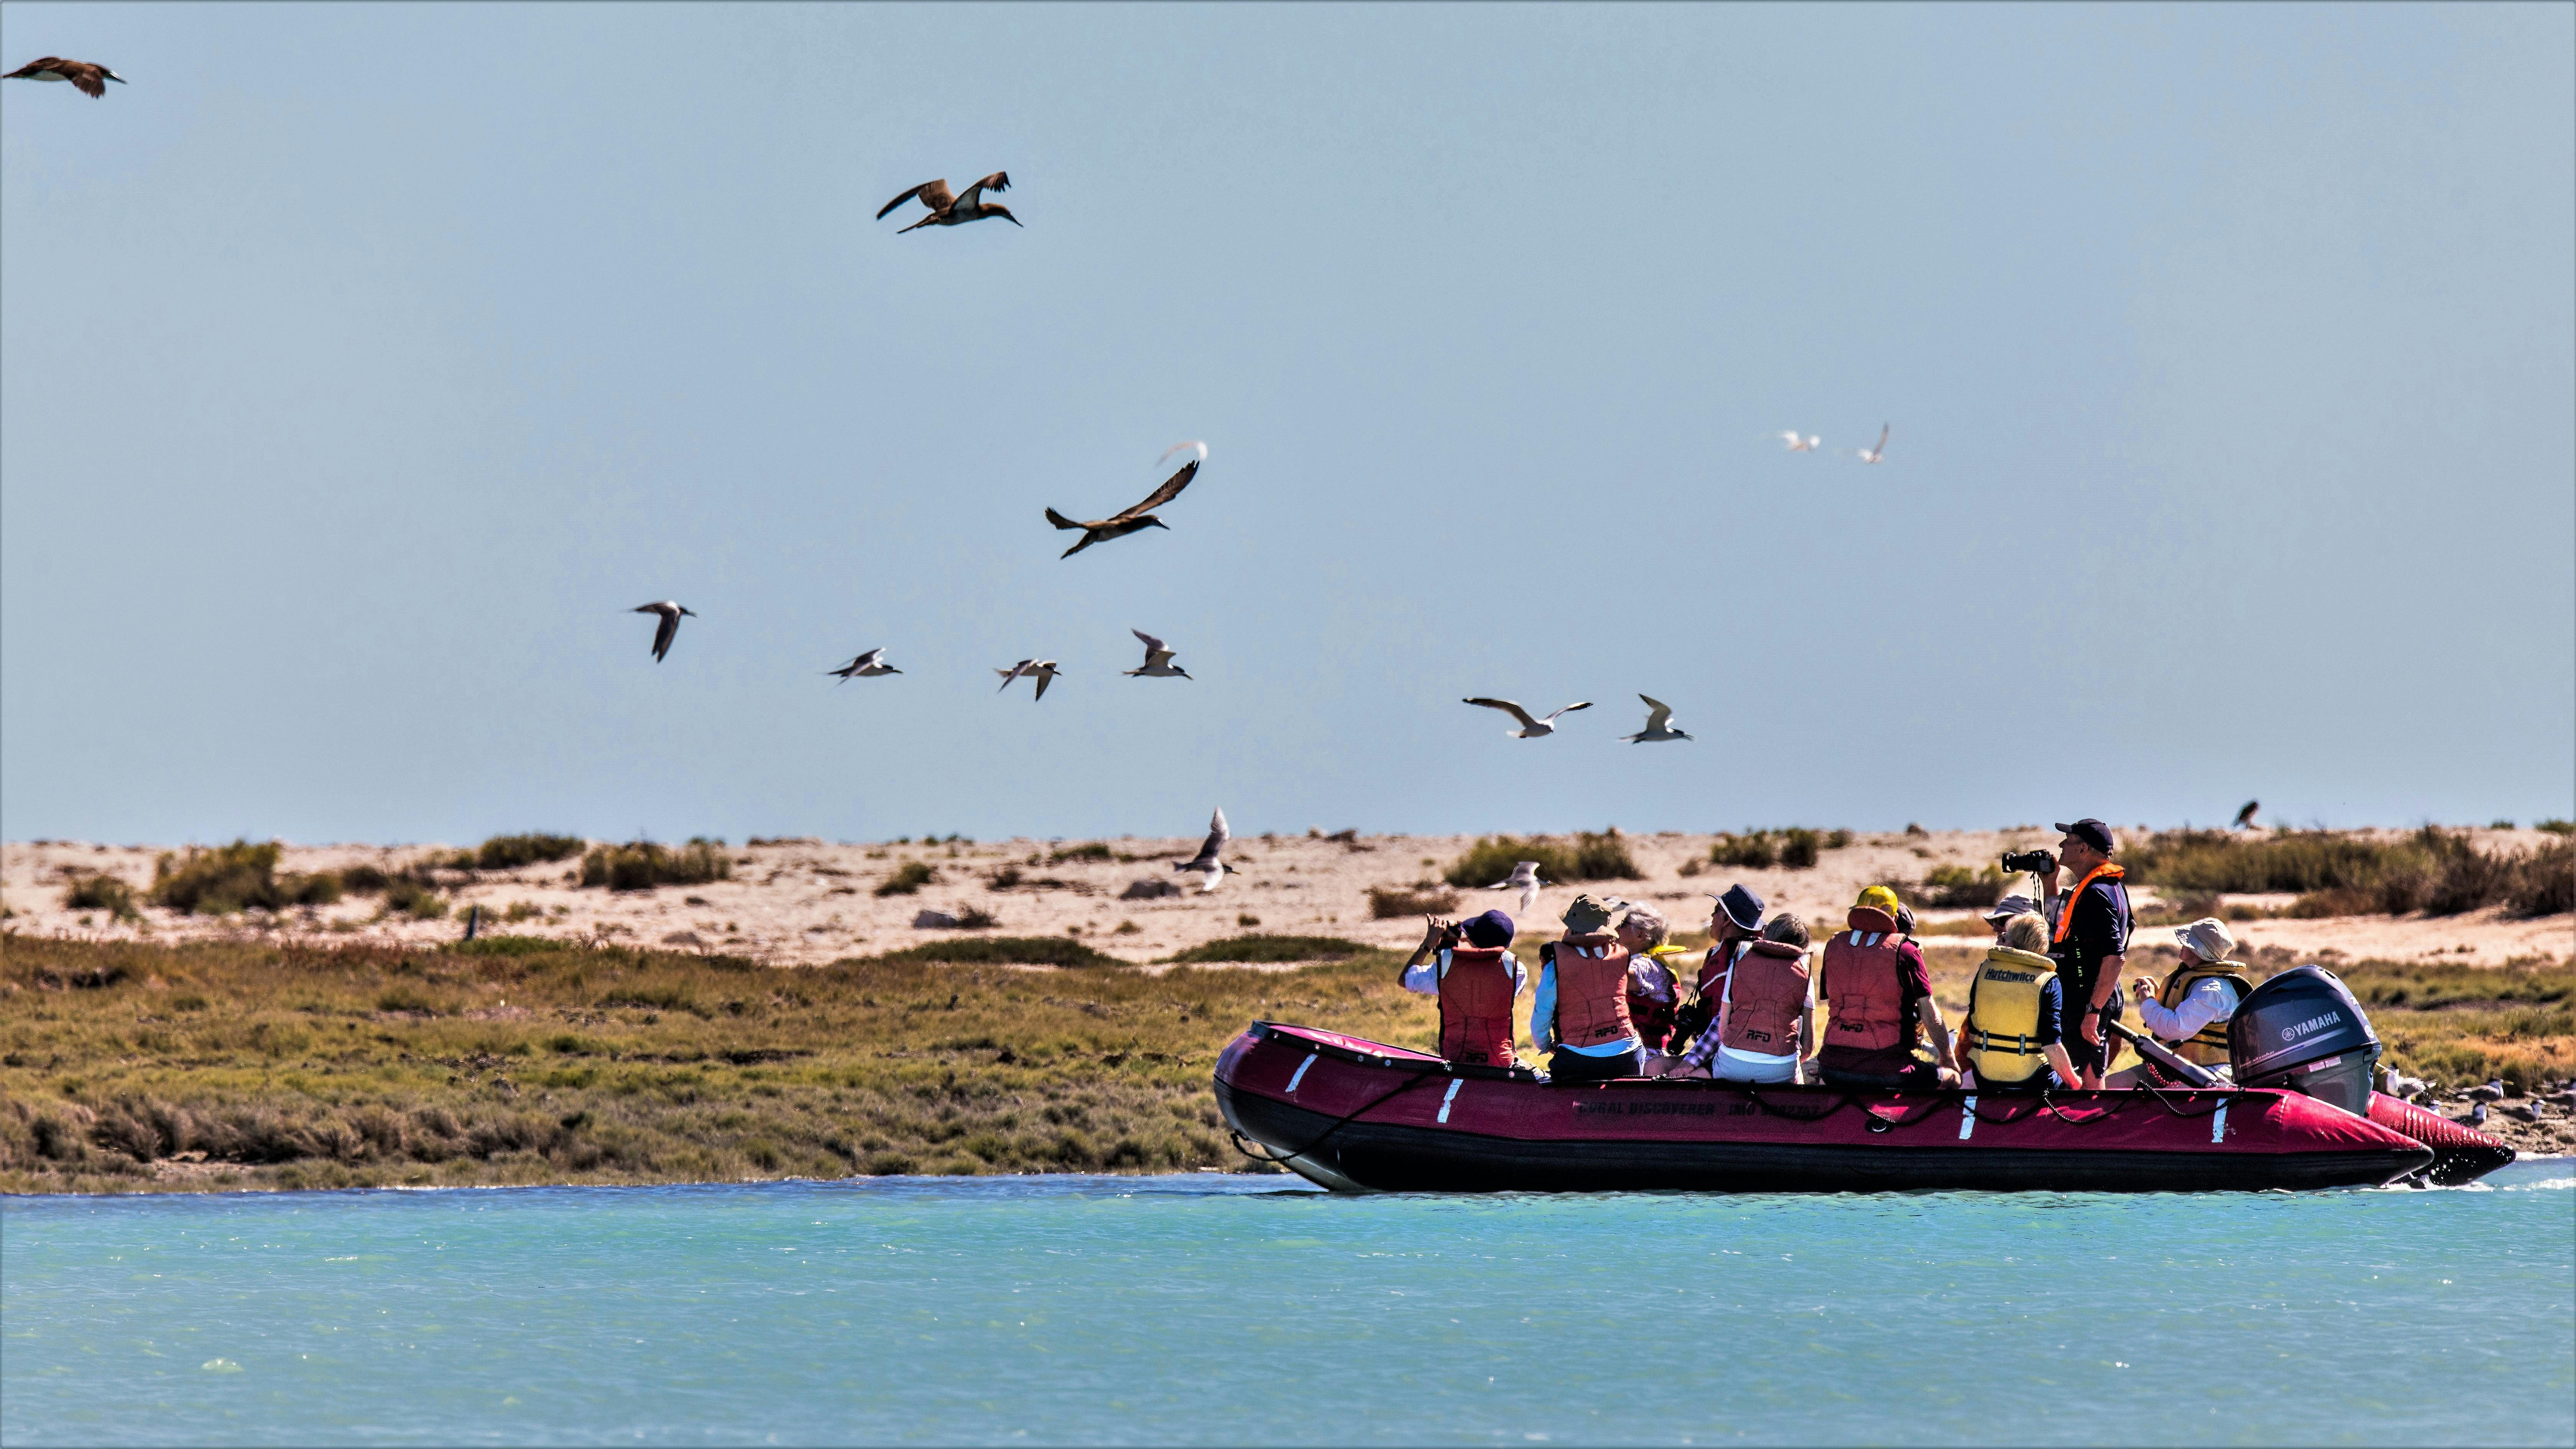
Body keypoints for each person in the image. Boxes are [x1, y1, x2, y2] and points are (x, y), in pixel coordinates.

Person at [1817, 887, 1956, 1089]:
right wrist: (1947, 1057)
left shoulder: (1834, 944)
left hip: (1831, 1067)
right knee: (1953, 1078)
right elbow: (1931, 1014)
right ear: (1896, 916)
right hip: (1890, 1069)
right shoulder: (1906, 951)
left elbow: (1832, 1000)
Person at [1649, 914, 1815, 1083]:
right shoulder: (1805, 973)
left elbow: (1722, 1030)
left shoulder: (1739, 961)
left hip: (1732, 1064)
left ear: (1766, 935)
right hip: (1781, 1070)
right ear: (1801, 947)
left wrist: (1690, 1063)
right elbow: (1808, 1048)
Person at [2037, 818, 2133, 1089]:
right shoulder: (2110, 887)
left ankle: (2090, 1129)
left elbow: (2114, 958)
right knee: (2082, 1075)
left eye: (2067, 841)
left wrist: (2093, 1011)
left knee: (2089, 1083)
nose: (2060, 845)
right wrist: (2050, 884)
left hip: (2089, 999)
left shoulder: (2096, 894)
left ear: (2083, 850)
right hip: (2094, 996)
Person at [1954, 912, 2079, 1091]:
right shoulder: (2048, 981)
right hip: (2032, 1080)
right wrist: (2076, 1083)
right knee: (2069, 1081)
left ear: (2012, 941)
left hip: (1984, 1077)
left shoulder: (1984, 970)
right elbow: (2052, 1045)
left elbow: (1974, 1031)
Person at [2126, 917, 2254, 1084]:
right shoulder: (2199, 981)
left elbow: (2175, 1029)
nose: (2182, 944)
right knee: (2107, 1089)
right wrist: (2158, 998)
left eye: (2187, 942)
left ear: (2198, 950)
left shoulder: (2213, 990)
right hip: (2175, 1067)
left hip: (2207, 1074)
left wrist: (2148, 1001)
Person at [1530, 895, 1644, 1083]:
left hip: (1579, 1059)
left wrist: (1545, 1045)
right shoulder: (1622, 955)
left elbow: (1542, 1015)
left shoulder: (1556, 964)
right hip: (1629, 1054)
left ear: (1571, 926)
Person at [1398, 909, 1528, 1068]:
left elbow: (1405, 979)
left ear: (1472, 939)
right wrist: (1469, 937)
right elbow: (1490, 957)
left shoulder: (1445, 966)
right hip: (1501, 1060)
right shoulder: (1516, 970)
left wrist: (1429, 944)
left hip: (1455, 1059)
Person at [1670, 884, 1765, 1054]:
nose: (1712, 916)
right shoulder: (1761, 953)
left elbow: (1723, 1018)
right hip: (1761, 1047)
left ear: (1727, 920)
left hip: (1725, 1051)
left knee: (1654, 1067)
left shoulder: (1727, 957)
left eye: (1716, 910)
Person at [1616, 903, 1683, 1053]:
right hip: (1632, 1048)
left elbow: (1618, 978)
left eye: (1623, 925)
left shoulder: (1648, 966)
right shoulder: (1637, 961)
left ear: (1640, 935)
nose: (1616, 930)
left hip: (1649, 1052)